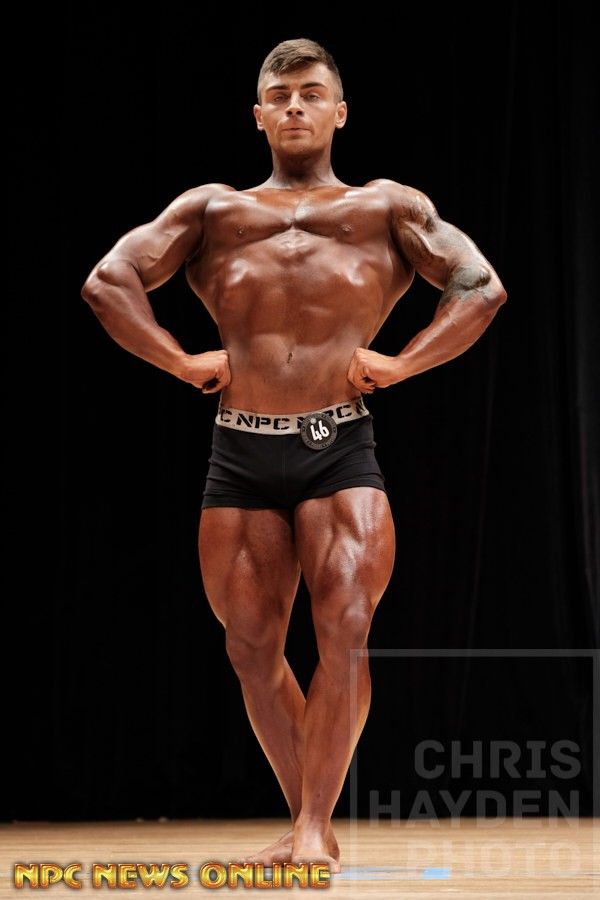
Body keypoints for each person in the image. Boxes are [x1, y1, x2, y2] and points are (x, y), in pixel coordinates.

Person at [81, 37, 507, 873]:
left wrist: (405, 363)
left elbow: (479, 286)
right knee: (250, 647)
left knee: (344, 627)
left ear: (339, 111)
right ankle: (309, 816)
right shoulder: (213, 211)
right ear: (258, 116)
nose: (296, 107)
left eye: (311, 93)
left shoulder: (386, 207)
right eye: (280, 96)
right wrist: (178, 360)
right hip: (241, 449)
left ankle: (313, 826)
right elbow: (108, 281)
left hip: (339, 445)